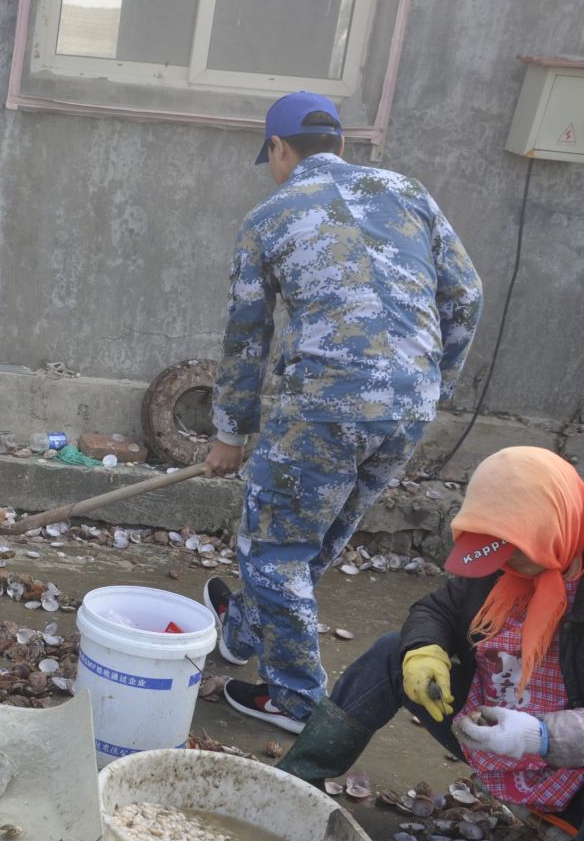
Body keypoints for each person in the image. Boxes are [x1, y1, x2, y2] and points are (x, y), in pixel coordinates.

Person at [201, 90, 484, 733]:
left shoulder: (268, 217)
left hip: (326, 405)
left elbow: (247, 336)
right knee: (320, 535)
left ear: (278, 148)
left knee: (274, 549)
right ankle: (242, 631)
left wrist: (229, 433)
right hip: (407, 405)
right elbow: (466, 296)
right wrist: (432, 383)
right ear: (342, 144)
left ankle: (299, 702)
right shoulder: (408, 191)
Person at [278, 447, 584, 838]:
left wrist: (538, 736)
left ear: (550, 526)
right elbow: (438, 608)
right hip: (487, 729)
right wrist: (423, 650)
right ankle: (294, 785)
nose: (503, 561)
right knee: (392, 653)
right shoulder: (502, 567)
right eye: (495, 547)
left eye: (512, 548)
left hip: (567, 771)